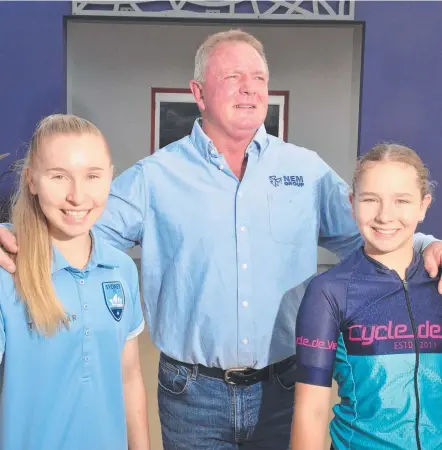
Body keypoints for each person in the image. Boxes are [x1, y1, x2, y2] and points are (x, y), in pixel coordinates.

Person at [0, 31, 442, 449]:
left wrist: (426, 246)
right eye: (232, 77)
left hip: (284, 387)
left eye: (258, 78)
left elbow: (375, 228)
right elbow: (76, 220)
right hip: (191, 393)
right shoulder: (155, 177)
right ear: (198, 93)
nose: (249, 88)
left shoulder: (306, 171)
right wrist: (10, 233)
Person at [0, 114, 150, 450]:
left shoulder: (121, 269)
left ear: (110, 177)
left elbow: (129, 378)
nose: (77, 196)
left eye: (92, 176)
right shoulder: (7, 269)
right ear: (31, 181)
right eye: (58, 177)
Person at [292, 143, 442, 450]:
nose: (385, 216)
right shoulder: (329, 291)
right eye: (371, 200)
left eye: (402, 200)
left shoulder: (438, 281)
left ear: (424, 205)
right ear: (352, 202)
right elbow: (312, 409)